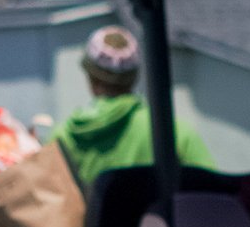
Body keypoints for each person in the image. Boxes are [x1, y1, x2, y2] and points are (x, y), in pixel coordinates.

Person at [54, 25, 216, 185]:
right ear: (134, 77)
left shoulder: (63, 137)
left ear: (91, 77)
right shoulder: (173, 132)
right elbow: (211, 191)